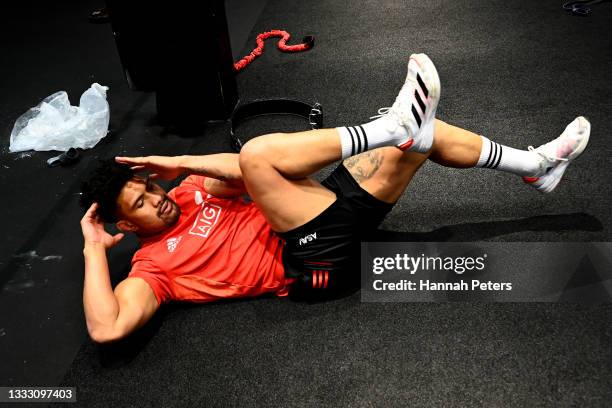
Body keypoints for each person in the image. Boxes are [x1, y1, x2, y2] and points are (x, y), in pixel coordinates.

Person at [79, 54, 590, 343]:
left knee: (424, 137)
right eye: (141, 204)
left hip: (318, 211)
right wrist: (91, 250)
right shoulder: (152, 271)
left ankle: (537, 167)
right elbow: (107, 328)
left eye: (148, 186)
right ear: (122, 226)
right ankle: (386, 126)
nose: (156, 198)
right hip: (312, 264)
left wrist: (180, 164)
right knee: (260, 153)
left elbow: (239, 174)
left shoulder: (187, 191)